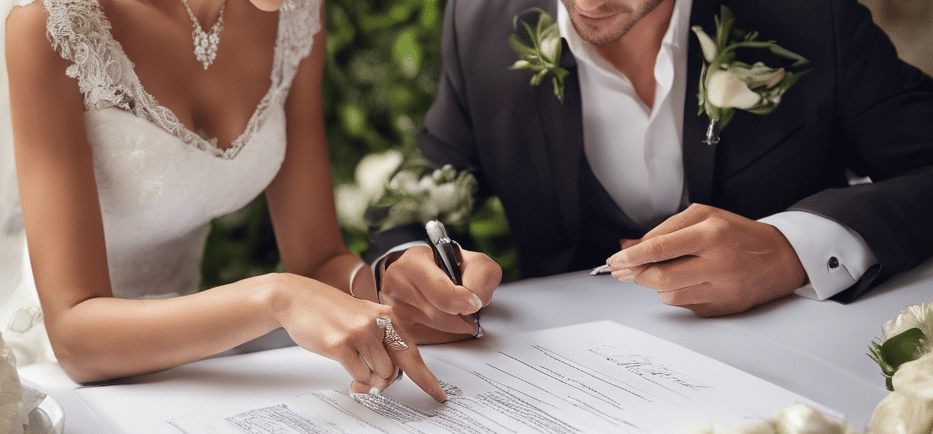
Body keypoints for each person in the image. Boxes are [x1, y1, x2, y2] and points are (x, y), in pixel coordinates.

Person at [0, 0, 446, 401]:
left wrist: (390, 285)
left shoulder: (295, 11)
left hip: (197, 364)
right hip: (55, 373)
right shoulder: (51, 23)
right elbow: (74, 337)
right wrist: (276, 298)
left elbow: (319, 259)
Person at [365, 0, 933, 340]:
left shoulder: (810, 13)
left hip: (792, 367)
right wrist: (410, 266)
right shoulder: (481, 21)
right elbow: (409, 209)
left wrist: (790, 250)